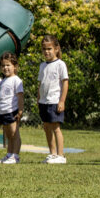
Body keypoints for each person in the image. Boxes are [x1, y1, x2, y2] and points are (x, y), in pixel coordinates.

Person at [37, 34, 69, 164]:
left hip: (54, 101)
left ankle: (61, 155)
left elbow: (65, 83)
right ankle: (52, 153)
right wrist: (39, 98)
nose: (46, 51)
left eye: (49, 48)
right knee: (46, 127)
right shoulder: (42, 66)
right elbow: (40, 84)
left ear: (56, 49)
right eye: (44, 49)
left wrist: (62, 101)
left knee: (55, 127)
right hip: (43, 102)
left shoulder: (60, 64)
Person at [0, 52, 24, 164]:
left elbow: (20, 96)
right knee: (8, 134)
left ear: (15, 66)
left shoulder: (16, 80)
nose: (5, 68)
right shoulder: (2, 81)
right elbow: (0, 98)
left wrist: (20, 110)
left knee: (14, 134)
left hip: (12, 111)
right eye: (3, 65)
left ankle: (15, 156)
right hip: (3, 112)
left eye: (8, 65)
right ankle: (9, 154)